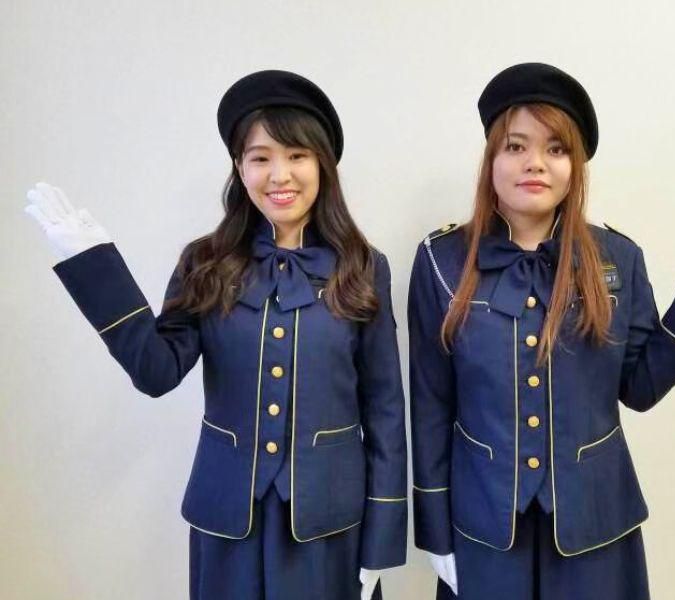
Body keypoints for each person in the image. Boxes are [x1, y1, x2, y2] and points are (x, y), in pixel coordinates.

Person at [407, 62, 675, 599]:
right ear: (491, 157)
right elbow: (430, 405)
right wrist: (434, 530)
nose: (535, 163)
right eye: (515, 146)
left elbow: (642, 387)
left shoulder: (617, 257)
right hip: (484, 526)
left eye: (556, 149)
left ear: (575, 165)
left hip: (596, 526)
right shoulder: (442, 260)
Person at [25, 69, 407, 600]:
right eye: (260, 157)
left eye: (297, 155)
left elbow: (385, 410)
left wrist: (381, 544)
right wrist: (93, 267)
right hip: (227, 517)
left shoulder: (363, 267)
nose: (280, 175)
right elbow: (156, 372)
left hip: (328, 522)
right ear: (239, 167)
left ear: (322, 163)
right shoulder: (205, 262)